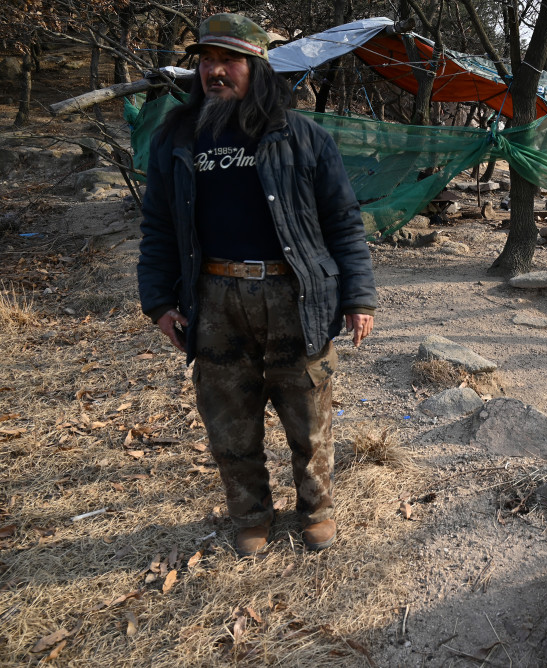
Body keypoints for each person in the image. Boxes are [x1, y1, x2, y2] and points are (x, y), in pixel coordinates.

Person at [137, 13, 376, 556]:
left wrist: (359, 296)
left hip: (295, 294)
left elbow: (343, 221)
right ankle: (250, 516)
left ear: (258, 68)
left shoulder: (303, 138)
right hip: (214, 296)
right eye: (205, 61)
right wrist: (158, 302)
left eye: (228, 60)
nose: (214, 71)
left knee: (308, 414)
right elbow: (156, 226)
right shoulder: (176, 138)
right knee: (229, 421)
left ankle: (316, 510)